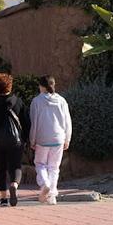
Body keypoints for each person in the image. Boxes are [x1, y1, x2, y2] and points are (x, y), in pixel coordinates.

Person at [0, 74, 31, 207]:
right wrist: (24, 138)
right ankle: (14, 185)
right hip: (16, 141)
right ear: (9, 86)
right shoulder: (18, 101)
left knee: (0, 167)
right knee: (15, 166)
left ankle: (3, 199)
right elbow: (26, 121)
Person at [29, 75, 72, 205]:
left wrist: (32, 139)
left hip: (42, 138)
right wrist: (67, 138)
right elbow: (67, 121)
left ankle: (44, 184)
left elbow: (34, 122)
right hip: (59, 138)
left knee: (40, 164)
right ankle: (52, 195)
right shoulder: (62, 100)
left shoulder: (36, 101)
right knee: (54, 167)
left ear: (41, 86)